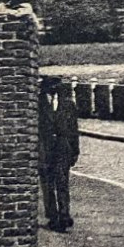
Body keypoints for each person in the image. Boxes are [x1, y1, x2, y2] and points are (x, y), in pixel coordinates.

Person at [38, 87, 80, 232]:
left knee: (62, 182)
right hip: (46, 149)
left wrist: (75, 151)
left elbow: (74, 130)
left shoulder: (68, 105)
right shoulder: (39, 103)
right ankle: (52, 216)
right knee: (48, 184)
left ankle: (64, 215)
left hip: (63, 149)